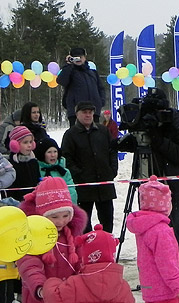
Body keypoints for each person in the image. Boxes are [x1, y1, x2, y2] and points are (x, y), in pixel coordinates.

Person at [143, 88, 179, 286]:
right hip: (148, 186)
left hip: (172, 188)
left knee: (174, 232)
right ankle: (153, 273)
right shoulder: (145, 120)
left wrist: (158, 137)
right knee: (149, 232)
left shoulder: (177, 122)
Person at [61, 101, 118, 233]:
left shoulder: (103, 131)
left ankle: (107, 246)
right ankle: (87, 249)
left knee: (107, 220)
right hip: (84, 186)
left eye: (90, 112)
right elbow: (66, 158)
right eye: (84, 112)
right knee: (84, 222)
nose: (88, 115)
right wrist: (78, 174)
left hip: (104, 183)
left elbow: (112, 151)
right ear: (77, 114)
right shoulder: (70, 134)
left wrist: (112, 170)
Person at [57, 46, 106, 126]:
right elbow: (61, 81)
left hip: (94, 111)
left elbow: (101, 88)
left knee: (95, 135)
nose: (78, 59)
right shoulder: (69, 71)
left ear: (85, 57)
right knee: (77, 135)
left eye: (80, 57)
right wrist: (68, 65)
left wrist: (100, 101)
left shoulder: (93, 73)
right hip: (75, 112)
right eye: (76, 57)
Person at [34, 137, 78, 204]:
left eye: (55, 151)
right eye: (49, 152)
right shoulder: (36, 171)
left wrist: (69, 205)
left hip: (64, 206)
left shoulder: (64, 172)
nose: (53, 155)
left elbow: (71, 191)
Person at [5, 126, 40, 202]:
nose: (29, 145)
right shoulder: (10, 164)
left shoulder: (34, 162)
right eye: (25, 142)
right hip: (17, 203)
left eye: (31, 142)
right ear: (15, 145)